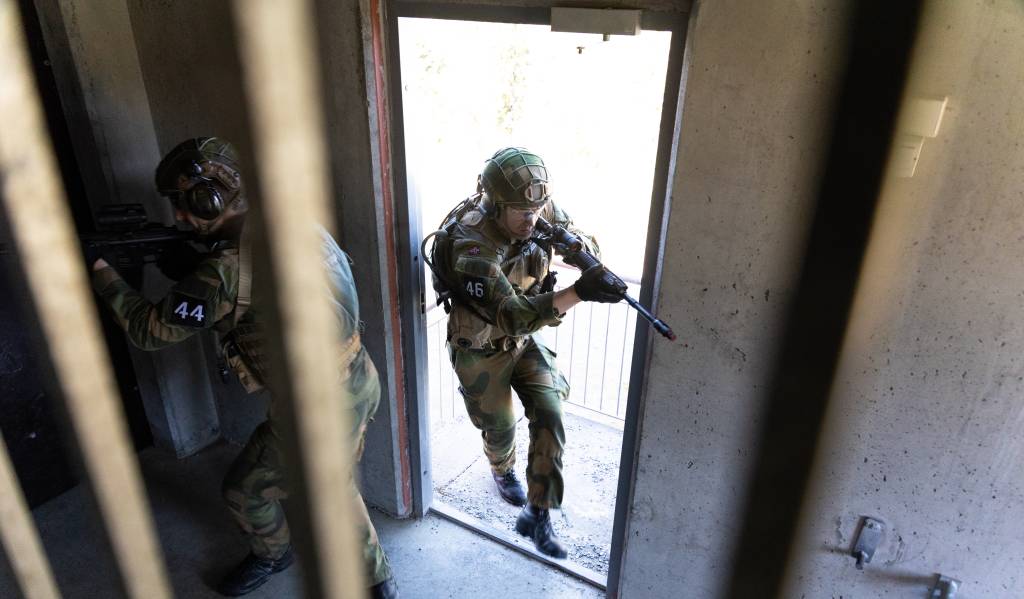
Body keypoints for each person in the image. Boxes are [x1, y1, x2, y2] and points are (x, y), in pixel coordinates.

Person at [88, 137, 398, 598]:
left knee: (245, 491)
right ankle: (379, 582)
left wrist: (101, 271)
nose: (179, 218)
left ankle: (274, 555)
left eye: (184, 204)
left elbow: (149, 329)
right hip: (357, 378)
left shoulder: (224, 271)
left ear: (210, 197)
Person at [429, 147, 624, 558]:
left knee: (549, 410)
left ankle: (540, 509)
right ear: (495, 204)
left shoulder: (536, 207)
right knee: (499, 428)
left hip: (523, 339)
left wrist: (580, 252)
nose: (531, 218)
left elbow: (574, 235)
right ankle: (501, 470)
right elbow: (513, 315)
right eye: (520, 210)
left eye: (537, 208)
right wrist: (580, 291)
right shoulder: (473, 245)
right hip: (481, 347)